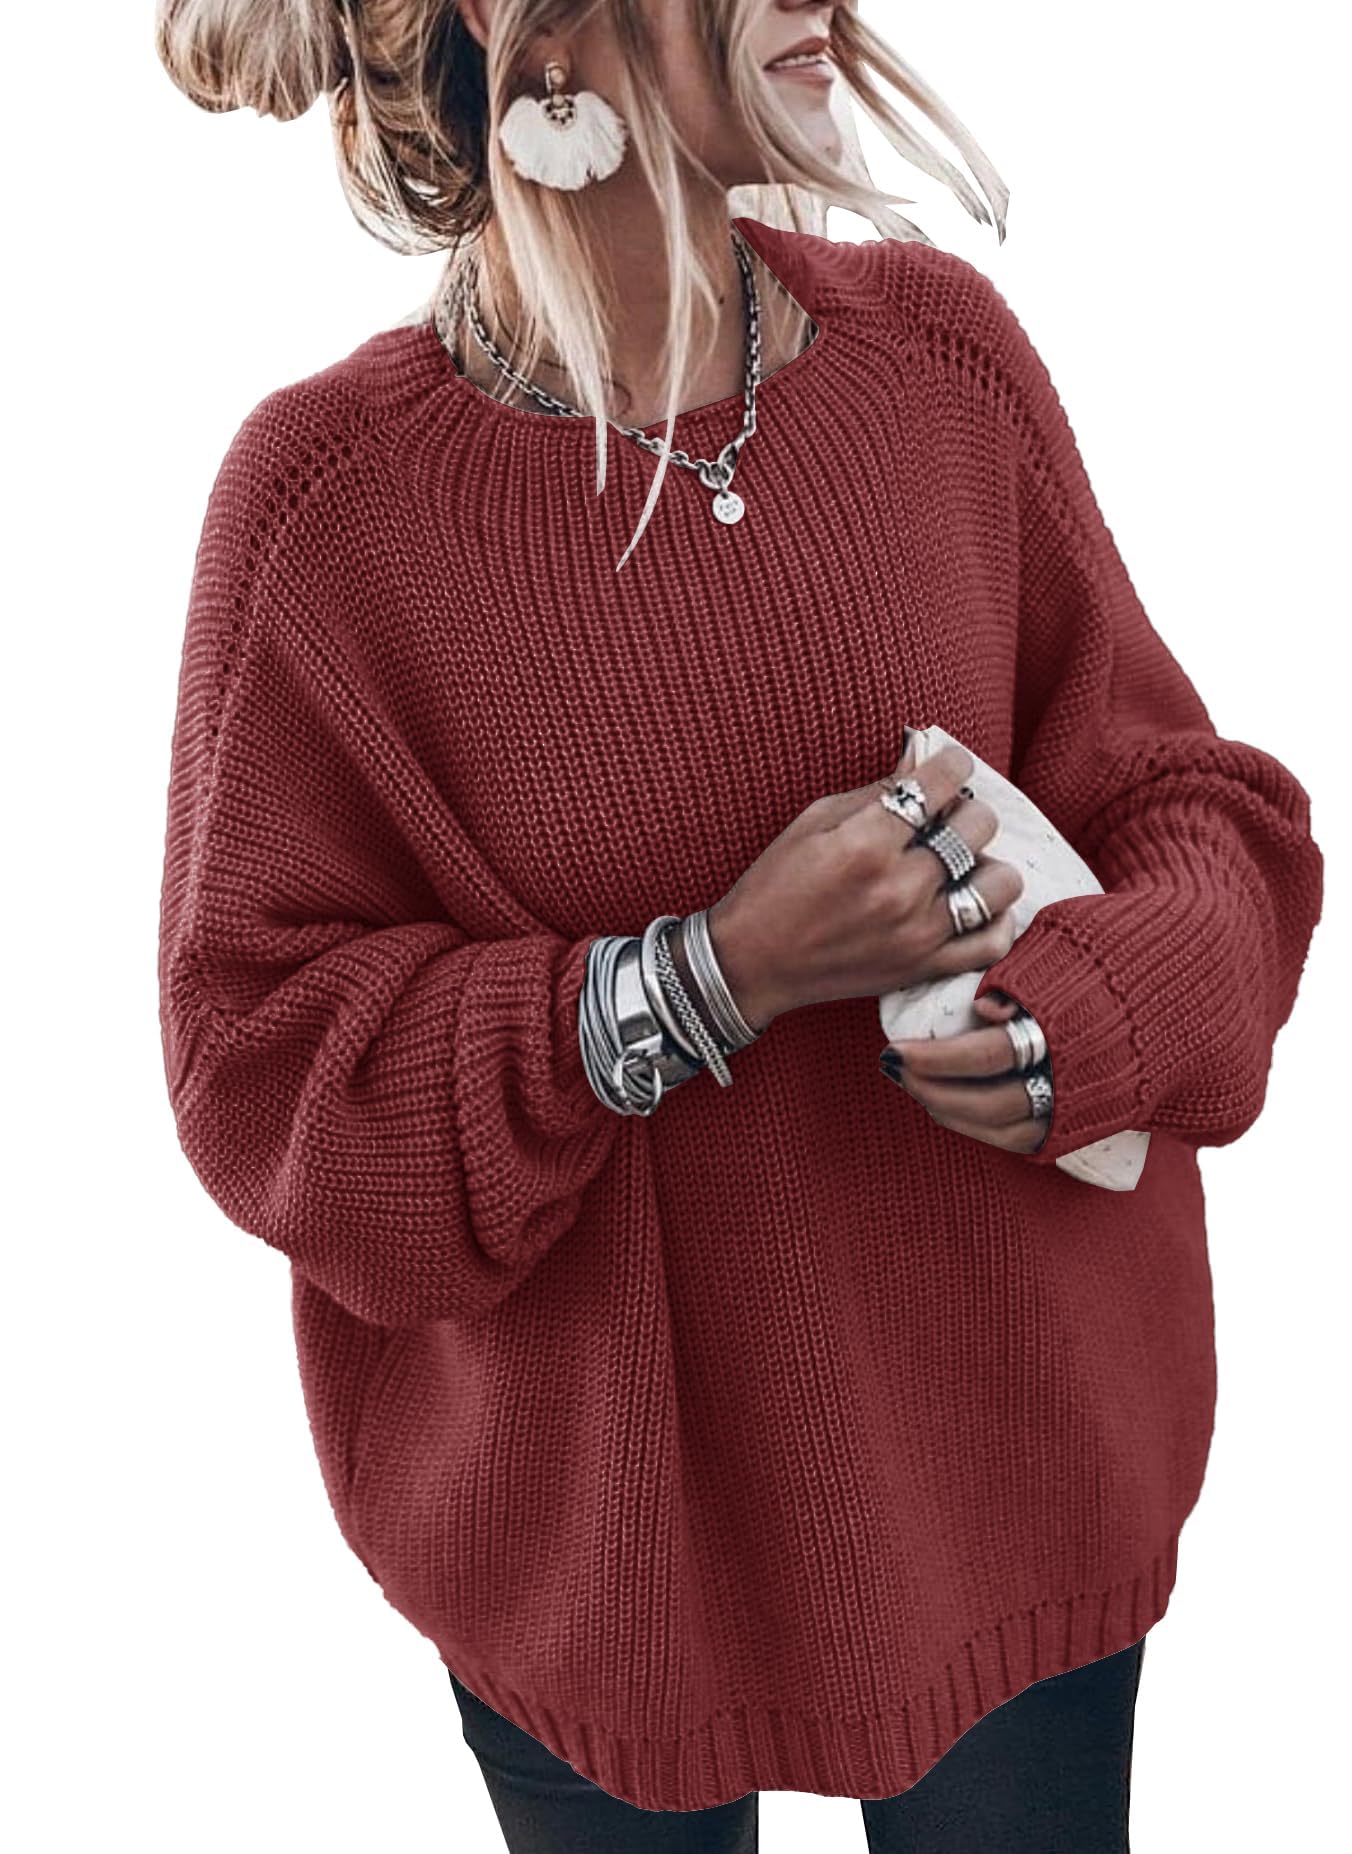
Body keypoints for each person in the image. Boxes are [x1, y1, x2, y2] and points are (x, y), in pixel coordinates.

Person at [154, 1, 1324, 1848]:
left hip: (1012, 1476)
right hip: (600, 1564)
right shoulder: (326, 514)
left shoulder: (942, 362)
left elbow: (1204, 819)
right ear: (534, 30)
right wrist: (706, 977)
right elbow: (262, 1073)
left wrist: (1085, 1016)